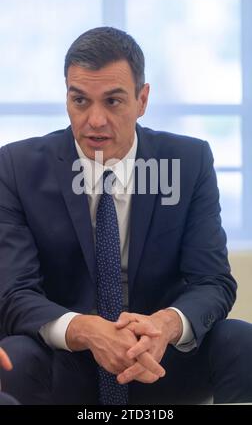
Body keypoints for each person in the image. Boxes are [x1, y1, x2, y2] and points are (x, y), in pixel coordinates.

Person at [0, 26, 252, 405]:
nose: (95, 120)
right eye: (80, 100)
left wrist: (164, 326)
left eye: (113, 102)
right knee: (13, 358)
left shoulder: (187, 162)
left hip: (158, 360)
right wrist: (87, 330)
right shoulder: (17, 167)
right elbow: (14, 293)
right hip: (66, 360)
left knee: (240, 341)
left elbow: (213, 281)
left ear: (143, 99)